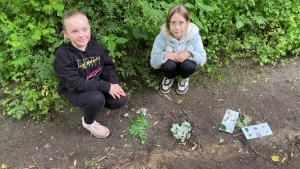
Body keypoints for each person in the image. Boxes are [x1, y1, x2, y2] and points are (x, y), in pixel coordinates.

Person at [53, 9, 126, 139]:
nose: (81, 35)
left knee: (119, 101)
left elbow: (108, 67)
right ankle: (88, 122)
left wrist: (113, 83)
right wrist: (106, 87)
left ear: (89, 29)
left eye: (84, 29)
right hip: (73, 89)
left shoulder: (96, 47)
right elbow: (75, 83)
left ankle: (94, 105)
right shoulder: (63, 54)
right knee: (96, 98)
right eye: (75, 31)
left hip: (95, 84)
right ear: (67, 34)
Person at [150, 5, 207, 94]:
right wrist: (166, 55)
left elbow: (203, 59)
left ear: (187, 23)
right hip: (171, 65)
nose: (177, 27)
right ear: (168, 23)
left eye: (181, 22)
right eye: (173, 22)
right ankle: (169, 77)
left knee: (189, 66)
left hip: (186, 64)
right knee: (168, 66)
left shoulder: (194, 36)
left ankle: (184, 77)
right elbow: (153, 62)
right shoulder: (161, 38)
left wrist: (188, 53)